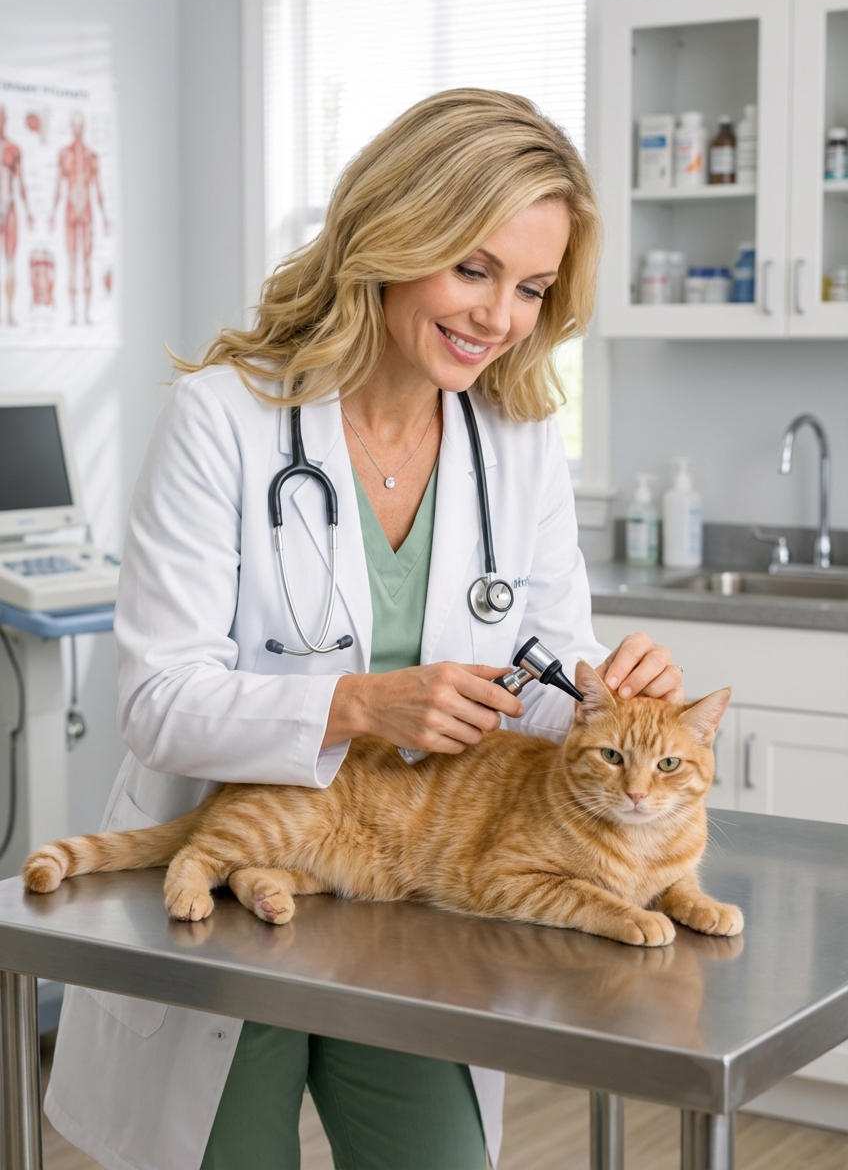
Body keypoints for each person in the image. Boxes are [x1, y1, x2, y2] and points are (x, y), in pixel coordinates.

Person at [45, 89, 684, 1170]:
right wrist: (355, 703)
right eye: (472, 269)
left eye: (530, 288)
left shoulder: (515, 440)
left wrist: (602, 692)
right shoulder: (226, 418)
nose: (498, 317)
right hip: (244, 887)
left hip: (408, 901)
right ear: (395, 237)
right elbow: (156, 703)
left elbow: (540, 681)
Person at [50, 111, 110, 324]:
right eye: (74, 126)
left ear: (83, 128)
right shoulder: (64, 155)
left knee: (85, 262)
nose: (77, 130)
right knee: (72, 262)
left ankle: (85, 314)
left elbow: (99, 189)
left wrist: (104, 218)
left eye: (80, 126)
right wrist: (51, 214)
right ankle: (74, 315)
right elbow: (59, 185)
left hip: (86, 212)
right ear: (71, 128)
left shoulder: (91, 156)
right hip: (69, 210)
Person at [0, 105, 34, 325]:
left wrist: (29, 211)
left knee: (10, 262)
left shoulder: (13, 149)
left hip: (9, 209)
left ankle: (9, 313)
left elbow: (21, 183)